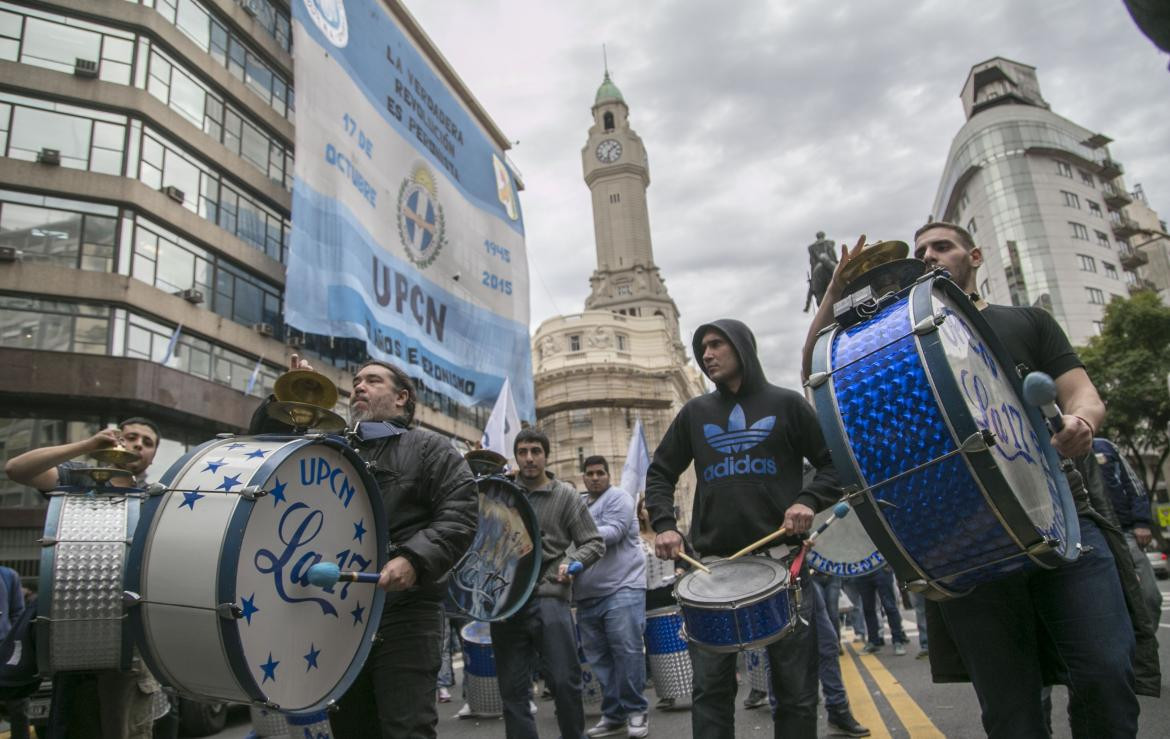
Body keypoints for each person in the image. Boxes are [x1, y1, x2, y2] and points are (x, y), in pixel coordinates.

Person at [802, 224, 1159, 737]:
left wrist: (1081, 423)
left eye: (941, 246)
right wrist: (835, 292)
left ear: (974, 255)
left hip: (1067, 520)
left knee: (1106, 673)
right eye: (920, 250)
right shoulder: (899, 339)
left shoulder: (1027, 321)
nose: (928, 255)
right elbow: (819, 375)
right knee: (1011, 711)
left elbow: (1084, 394)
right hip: (971, 542)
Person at [251, 357, 478, 738]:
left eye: (373, 381)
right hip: (339, 616)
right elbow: (265, 447)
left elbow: (461, 513)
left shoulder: (431, 449)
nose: (359, 386)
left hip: (406, 614)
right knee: (352, 728)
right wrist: (288, 392)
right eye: (356, 380)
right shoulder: (333, 448)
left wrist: (413, 558)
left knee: (406, 729)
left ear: (402, 398)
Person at [645, 319, 841, 738]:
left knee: (796, 692)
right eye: (702, 348)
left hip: (783, 567)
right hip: (713, 573)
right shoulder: (695, 414)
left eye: (716, 345)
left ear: (743, 348)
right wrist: (665, 525)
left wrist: (807, 500)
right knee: (710, 693)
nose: (707, 355)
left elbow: (833, 466)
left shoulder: (787, 405)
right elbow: (660, 473)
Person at [5, 417, 163, 739]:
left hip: (129, 648)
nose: (138, 445)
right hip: (73, 642)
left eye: (147, 443)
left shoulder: (156, 501)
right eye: (131, 437)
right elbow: (17, 469)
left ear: (153, 456)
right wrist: (89, 445)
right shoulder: (77, 481)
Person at [490, 428, 604, 739]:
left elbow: (594, 543)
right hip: (506, 603)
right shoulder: (501, 493)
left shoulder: (565, 496)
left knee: (566, 683)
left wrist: (573, 564)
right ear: (516, 456)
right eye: (523, 451)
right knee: (512, 690)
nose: (529, 458)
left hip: (550, 597)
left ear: (546, 455)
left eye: (535, 451)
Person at [573, 456, 649, 738]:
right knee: (600, 660)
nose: (594, 478)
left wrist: (573, 531)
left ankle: (636, 711)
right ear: (583, 477)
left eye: (600, 473)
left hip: (622, 588)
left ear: (608, 475)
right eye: (589, 473)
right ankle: (614, 715)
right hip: (586, 596)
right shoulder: (580, 504)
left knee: (627, 653)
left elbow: (614, 532)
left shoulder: (618, 497)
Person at [1094, 437, 1164, 623]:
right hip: (1091, 538)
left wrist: (1141, 522)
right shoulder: (1054, 448)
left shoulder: (1105, 447)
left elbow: (1135, 485)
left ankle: (1146, 646)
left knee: (1150, 597)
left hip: (1125, 533)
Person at [854, 565, 909, 656]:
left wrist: (888, 563)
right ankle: (873, 642)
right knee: (868, 609)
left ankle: (898, 641)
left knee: (890, 607)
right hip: (862, 571)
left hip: (880, 568)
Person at [0, 566, 28, 739]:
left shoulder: (8, 576)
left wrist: (13, 642)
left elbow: (18, 613)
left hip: (5, 649)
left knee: (19, 705)